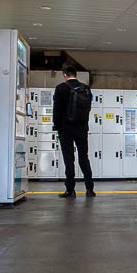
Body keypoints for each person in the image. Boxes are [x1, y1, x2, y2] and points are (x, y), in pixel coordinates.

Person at [53, 63, 95, 198]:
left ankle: (70, 190)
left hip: (66, 129)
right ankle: (89, 189)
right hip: (82, 128)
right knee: (84, 157)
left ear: (65, 75)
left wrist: (57, 127)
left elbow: (57, 110)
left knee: (69, 159)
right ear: (76, 74)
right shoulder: (86, 88)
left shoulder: (61, 88)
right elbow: (88, 109)